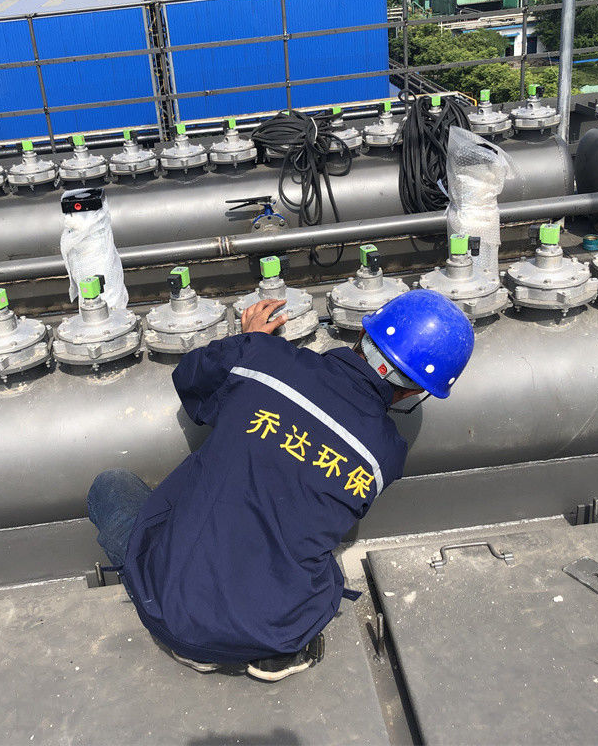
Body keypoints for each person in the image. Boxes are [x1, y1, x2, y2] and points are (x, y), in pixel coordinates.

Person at [87, 288, 474, 682]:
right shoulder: (386, 456)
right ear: (415, 391)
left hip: (169, 606)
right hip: (270, 629)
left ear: (363, 333)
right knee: (318, 557)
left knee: (110, 486)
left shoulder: (261, 359)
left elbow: (190, 380)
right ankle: (277, 652)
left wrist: (247, 341)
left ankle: (192, 633)